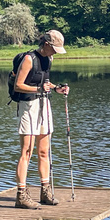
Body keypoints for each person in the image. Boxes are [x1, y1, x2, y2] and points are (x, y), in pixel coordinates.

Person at [12, 29, 70, 209]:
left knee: (44, 151)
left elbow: (45, 83)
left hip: (44, 105)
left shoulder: (49, 59)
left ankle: (45, 191)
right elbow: (18, 85)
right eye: (54, 48)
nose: (55, 53)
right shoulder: (29, 59)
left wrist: (56, 88)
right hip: (29, 107)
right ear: (46, 44)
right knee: (26, 152)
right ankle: (21, 195)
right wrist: (38, 90)